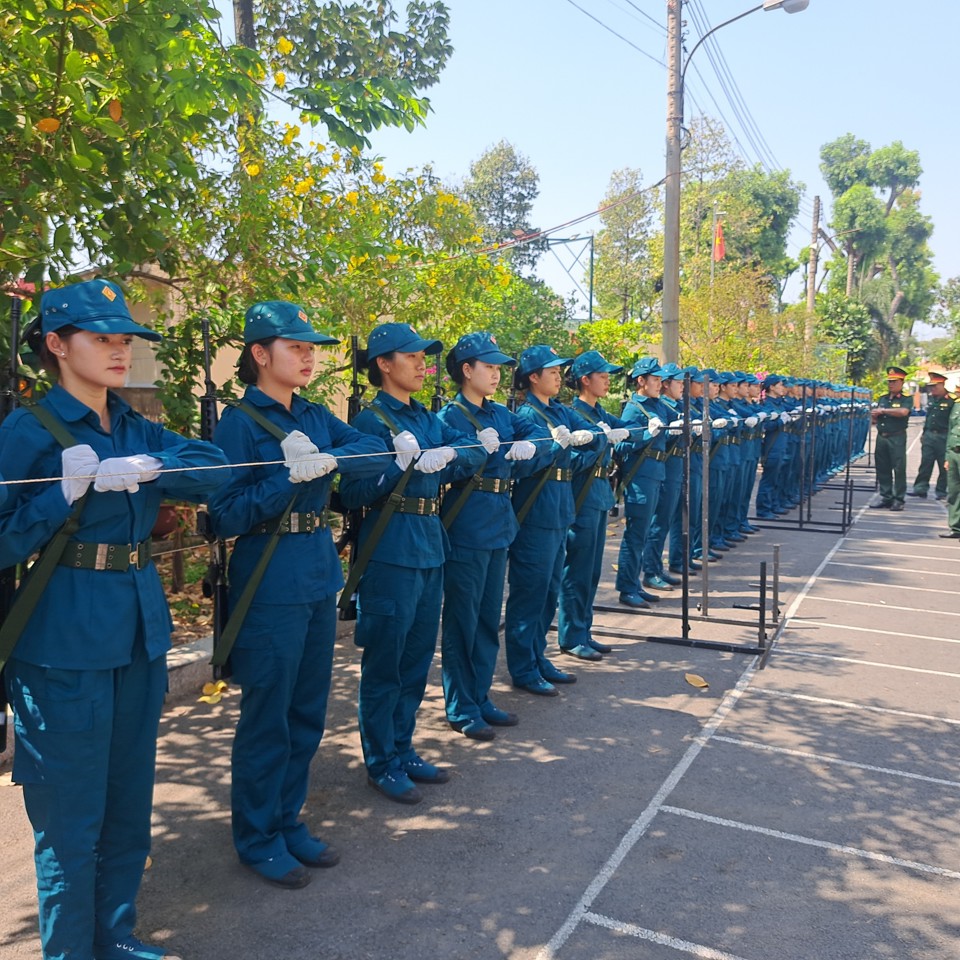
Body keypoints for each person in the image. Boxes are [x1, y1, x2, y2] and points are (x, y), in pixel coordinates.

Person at [0, 278, 229, 960]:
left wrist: (151, 464)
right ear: (56, 345)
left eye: (124, 338)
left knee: (128, 807)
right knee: (71, 822)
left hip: (137, 633)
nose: (119, 350)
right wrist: (60, 494)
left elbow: (215, 468)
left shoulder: (130, 426)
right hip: (62, 639)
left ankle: (116, 937)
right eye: (102, 338)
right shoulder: (27, 431)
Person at [208, 301, 386, 889]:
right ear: (260, 355)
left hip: (314, 573)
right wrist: (286, 479)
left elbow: (363, 452)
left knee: (307, 711)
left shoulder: (312, 414)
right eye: (297, 348)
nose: (310, 357)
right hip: (269, 579)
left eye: (313, 348)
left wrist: (357, 453)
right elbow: (225, 515)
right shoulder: (239, 423)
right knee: (269, 716)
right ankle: (257, 837)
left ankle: (286, 820)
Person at [338, 323, 486, 804]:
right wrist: (394, 468)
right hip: (390, 547)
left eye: (426, 356)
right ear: (384, 363)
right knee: (386, 662)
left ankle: (402, 747)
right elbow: (352, 493)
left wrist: (450, 456)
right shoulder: (370, 422)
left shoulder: (424, 415)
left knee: (417, 658)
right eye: (413, 356)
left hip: (428, 543)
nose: (424, 363)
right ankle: (380, 760)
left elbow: (462, 456)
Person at [437, 333, 551, 740]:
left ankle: (480, 695)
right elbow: (444, 468)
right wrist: (472, 450)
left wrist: (528, 447)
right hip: (468, 524)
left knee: (487, 619)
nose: (497, 374)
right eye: (488, 367)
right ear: (466, 371)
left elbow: (537, 434)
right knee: (462, 621)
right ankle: (461, 704)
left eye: (499, 367)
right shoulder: (449, 417)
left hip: (500, 522)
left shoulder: (502, 414)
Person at [504, 345, 604, 695]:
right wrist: (557, 447)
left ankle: (537, 656)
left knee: (548, 592)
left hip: (560, 507)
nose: (559, 376)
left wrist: (591, 439)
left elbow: (594, 440)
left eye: (560, 371)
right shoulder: (530, 415)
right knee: (530, 593)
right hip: (537, 510)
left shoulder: (558, 411)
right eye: (552, 372)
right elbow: (524, 465)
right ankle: (523, 666)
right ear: (533, 377)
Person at [558, 351, 633, 658]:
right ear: (585, 380)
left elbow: (631, 430)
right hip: (582, 495)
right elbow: (572, 460)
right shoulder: (573, 413)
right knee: (578, 569)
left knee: (591, 572)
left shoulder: (600, 412)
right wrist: (600, 442)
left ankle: (584, 631)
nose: (607, 381)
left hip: (599, 493)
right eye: (602, 376)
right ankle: (572, 635)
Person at [614, 357, 671, 605]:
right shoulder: (634, 409)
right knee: (636, 534)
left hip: (656, 473)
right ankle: (627, 587)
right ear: (641, 381)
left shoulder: (657, 405)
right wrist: (647, 433)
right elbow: (621, 444)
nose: (659, 383)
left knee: (644, 532)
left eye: (660, 379)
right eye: (655, 379)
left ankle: (635, 583)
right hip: (640, 477)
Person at [870, 366, 912, 511]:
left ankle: (899, 499)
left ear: (901, 382)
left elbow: (903, 412)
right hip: (882, 437)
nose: (891, 384)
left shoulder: (906, 399)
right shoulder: (883, 398)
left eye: (894, 381)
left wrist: (884, 411)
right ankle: (886, 497)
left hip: (897, 437)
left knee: (899, 468)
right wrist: (874, 416)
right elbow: (875, 420)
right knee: (882, 468)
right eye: (889, 381)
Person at [907, 371, 953, 501]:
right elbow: (929, 418)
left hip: (944, 437)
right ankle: (920, 488)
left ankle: (941, 491)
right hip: (929, 435)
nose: (932, 389)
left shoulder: (952, 400)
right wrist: (924, 432)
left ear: (942, 384)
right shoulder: (932, 399)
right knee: (925, 463)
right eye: (931, 386)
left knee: (943, 465)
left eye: (935, 386)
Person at [942, 379, 960, 539]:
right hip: (954, 452)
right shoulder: (957, 405)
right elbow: (951, 431)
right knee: (953, 491)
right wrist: (948, 456)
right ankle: (955, 527)